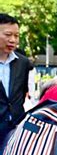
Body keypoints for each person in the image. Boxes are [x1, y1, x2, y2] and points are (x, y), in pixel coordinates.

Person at [0, 14, 30, 146]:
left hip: (16, 130)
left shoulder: (23, 63)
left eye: (16, 36)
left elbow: (21, 93)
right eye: (8, 34)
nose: (13, 40)